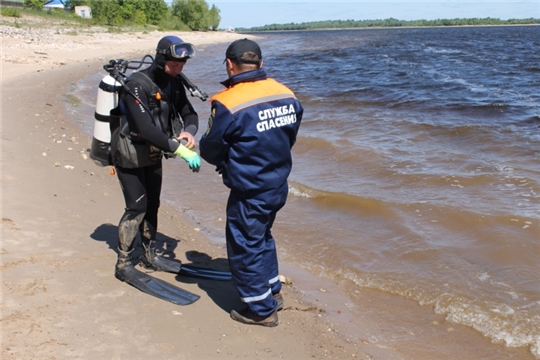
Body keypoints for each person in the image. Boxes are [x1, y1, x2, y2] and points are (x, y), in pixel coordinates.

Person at [199, 39, 303, 327]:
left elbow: (210, 148)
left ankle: (261, 309)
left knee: (245, 242)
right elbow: (289, 135)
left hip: (250, 187)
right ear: (260, 63)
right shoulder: (286, 93)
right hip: (278, 183)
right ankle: (271, 292)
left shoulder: (227, 101)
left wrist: (229, 162)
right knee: (262, 236)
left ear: (230, 65)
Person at [111, 35, 201, 287]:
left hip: (153, 151)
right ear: (161, 59)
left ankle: (149, 256)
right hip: (129, 152)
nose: (179, 69)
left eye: (182, 65)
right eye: (174, 64)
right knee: (137, 207)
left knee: (153, 204)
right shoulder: (136, 85)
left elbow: (189, 112)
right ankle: (124, 263)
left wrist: (189, 131)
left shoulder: (174, 82)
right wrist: (181, 151)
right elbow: (146, 128)